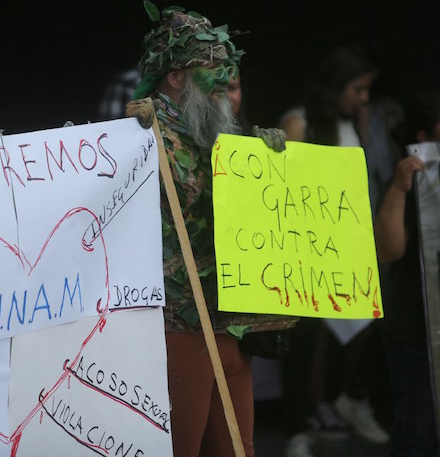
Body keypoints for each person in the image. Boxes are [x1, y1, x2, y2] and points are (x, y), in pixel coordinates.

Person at [127, 4, 296, 456]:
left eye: (228, 66)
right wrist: (113, 145)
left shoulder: (214, 137)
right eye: (212, 66)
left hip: (229, 328)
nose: (225, 77)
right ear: (175, 76)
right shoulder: (142, 136)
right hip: (180, 330)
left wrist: (269, 164)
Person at [279, 43, 398, 457]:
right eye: (357, 89)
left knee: (364, 322)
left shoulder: (354, 125)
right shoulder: (300, 123)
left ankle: (340, 400)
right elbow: (284, 189)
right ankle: (300, 424)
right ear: (336, 85)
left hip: (350, 246)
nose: (364, 98)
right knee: (306, 336)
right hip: (307, 247)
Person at [374, 89, 440, 457]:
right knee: (417, 435)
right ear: (424, 138)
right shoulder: (405, 182)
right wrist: (400, 189)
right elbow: (388, 251)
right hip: (416, 332)